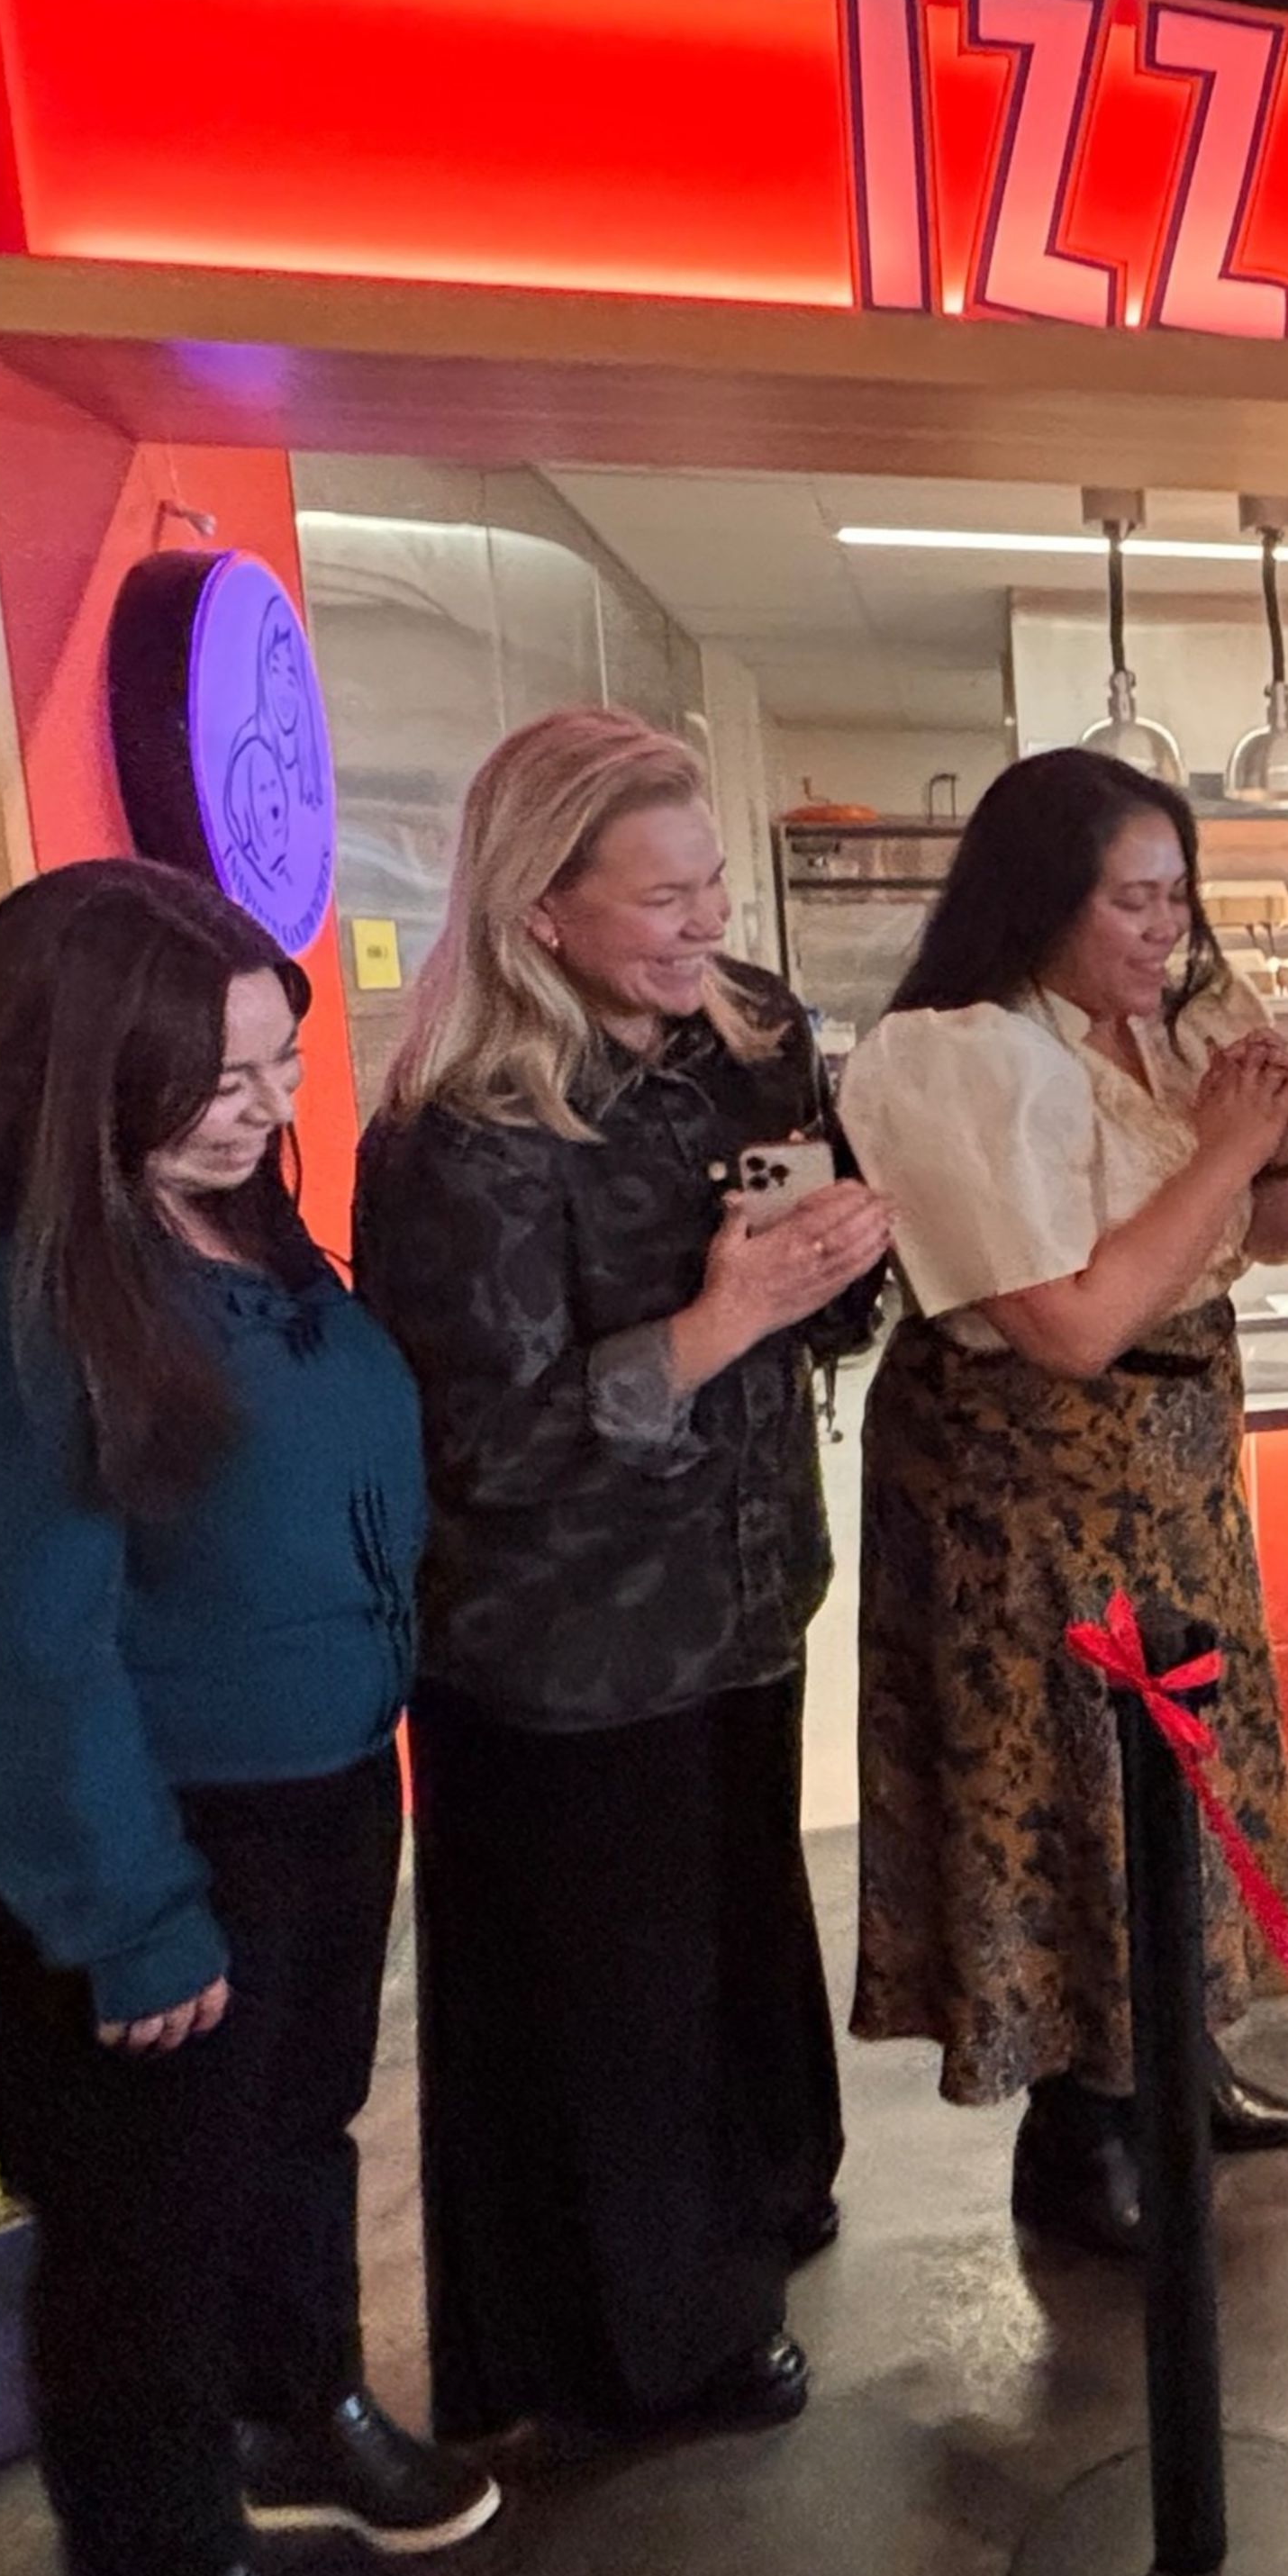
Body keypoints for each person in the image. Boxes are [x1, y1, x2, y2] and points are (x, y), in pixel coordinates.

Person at [0, 861, 487, 2576]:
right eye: (215, 1078)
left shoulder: (237, 1230)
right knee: (143, 2207)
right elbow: (22, 1654)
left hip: (308, 1779)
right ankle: (169, 2568)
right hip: (110, 1818)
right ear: (72, 1070)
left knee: (294, 2131)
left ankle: (300, 2406)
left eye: (279, 1063)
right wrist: (126, 1910)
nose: (265, 1108)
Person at [356, 710, 891, 2445]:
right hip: (568, 1651)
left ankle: (762, 2202)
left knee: (738, 1938)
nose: (704, 926)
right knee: (613, 2012)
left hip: (742, 1593)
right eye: (662, 897)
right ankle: (645, 2352)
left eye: (713, 881)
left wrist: (846, 1256)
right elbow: (489, 1446)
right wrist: (723, 1315)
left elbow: (811, 1251)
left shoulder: (749, 1039)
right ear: (539, 914)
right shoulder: (464, 1136)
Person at [839, 747, 1288, 2257]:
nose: (1165, 930)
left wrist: (1285, 1140)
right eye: (1134, 899)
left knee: (1184, 1775)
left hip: (1173, 1472)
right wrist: (1230, 1149)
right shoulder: (953, 1055)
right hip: (1028, 1492)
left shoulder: (1171, 1036)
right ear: (1041, 897)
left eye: (1179, 897)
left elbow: (1286, 1236)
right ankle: (1081, 2126)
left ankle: (1172, 2051)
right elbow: (1070, 1324)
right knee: (1069, 1792)